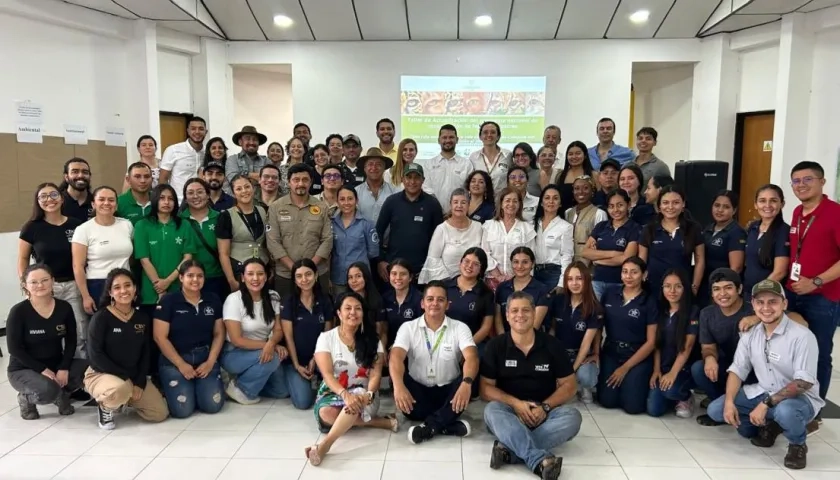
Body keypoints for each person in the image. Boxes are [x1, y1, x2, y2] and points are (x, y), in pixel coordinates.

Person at [705, 279, 822, 470]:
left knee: (786, 412)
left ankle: (797, 444)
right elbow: (737, 369)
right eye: (760, 302)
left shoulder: (802, 336)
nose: (766, 308)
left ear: (784, 304)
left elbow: (803, 383)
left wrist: (766, 404)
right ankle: (772, 423)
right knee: (716, 411)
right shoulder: (751, 334)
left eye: (773, 302)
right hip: (762, 391)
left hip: (799, 398)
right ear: (753, 305)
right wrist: (728, 402)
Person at [481, 291, 582, 480]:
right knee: (492, 411)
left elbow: (570, 385)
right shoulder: (495, 346)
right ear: (507, 316)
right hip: (509, 413)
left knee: (573, 417)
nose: (520, 315)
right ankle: (537, 458)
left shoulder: (552, 345)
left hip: (544, 411)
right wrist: (516, 404)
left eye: (526, 310)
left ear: (534, 313)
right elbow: (485, 388)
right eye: (515, 311)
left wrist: (545, 407)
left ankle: (509, 450)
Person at [306, 292, 398, 466]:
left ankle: (325, 445)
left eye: (358, 309)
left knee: (354, 401)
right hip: (334, 390)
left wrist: (369, 394)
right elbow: (326, 374)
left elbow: (375, 374)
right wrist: (344, 394)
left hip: (365, 394)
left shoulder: (373, 340)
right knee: (326, 413)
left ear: (363, 313)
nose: (353, 313)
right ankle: (378, 422)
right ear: (339, 313)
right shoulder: (326, 338)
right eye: (347, 308)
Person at [390, 281, 479, 444]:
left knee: (470, 377)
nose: (435, 303)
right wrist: (398, 386)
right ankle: (445, 424)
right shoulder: (408, 327)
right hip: (417, 395)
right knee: (396, 375)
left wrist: (466, 384)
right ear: (422, 303)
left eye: (440, 300)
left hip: (449, 395)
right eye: (430, 299)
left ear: (447, 305)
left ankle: (429, 428)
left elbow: (471, 356)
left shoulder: (460, 328)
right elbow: (396, 357)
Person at [786, 160, 840, 421]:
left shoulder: (834, 213)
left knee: (818, 353)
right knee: (793, 351)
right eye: (796, 181)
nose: (801, 185)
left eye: (808, 179)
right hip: (794, 293)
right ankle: (793, 402)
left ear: (822, 181)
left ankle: (815, 410)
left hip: (823, 296)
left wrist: (816, 281)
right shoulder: (797, 212)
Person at [85, 268, 169, 429]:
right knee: (120, 388)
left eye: (127, 285)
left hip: (131, 376)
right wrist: (127, 378)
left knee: (159, 413)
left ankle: (125, 398)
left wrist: (139, 381)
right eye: (117, 287)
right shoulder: (101, 317)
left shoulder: (142, 318)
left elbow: (145, 352)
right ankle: (106, 407)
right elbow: (95, 356)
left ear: (135, 288)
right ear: (110, 292)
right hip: (102, 373)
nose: (123, 291)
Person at [8, 264, 88, 420]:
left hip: (55, 364)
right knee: (47, 391)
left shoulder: (64, 307)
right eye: (34, 282)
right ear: (25, 285)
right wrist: (42, 369)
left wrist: (64, 367)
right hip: (24, 369)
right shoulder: (18, 312)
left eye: (45, 280)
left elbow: (71, 340)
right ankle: (26, 399)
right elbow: (14, 349)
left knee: (88, 369)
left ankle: (62, 393)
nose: (40, 285)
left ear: (53, 281)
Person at [18, 183, 86, 357]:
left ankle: (80, 376)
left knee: (78, 332)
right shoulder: (31, 227)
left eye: (54, 195)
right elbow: (23, 259)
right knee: (50, 334)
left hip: (74, 286)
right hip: (45, 287)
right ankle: (56, 374)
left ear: (62, 198)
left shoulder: (76, 225)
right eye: (43, 196)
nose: (49, 200)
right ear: (38, 201)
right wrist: (26, 287)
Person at [153, 260, 225, 418]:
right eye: (190, 276)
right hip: (175, 360)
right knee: (182, 411)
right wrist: (181, 365)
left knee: (212, 406)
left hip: (204, 358)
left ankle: (200, 386)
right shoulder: (169, 301)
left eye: (200, 276)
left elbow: (219, 333)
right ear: (181, 278)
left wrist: (210, 362)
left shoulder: (212, 299)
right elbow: (159, 337)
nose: (195, 280)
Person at [220, 259, 287, 405]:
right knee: (274, 358)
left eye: (260, 274)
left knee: (282, 391)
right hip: (234, 353)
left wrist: (272, 342)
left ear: (266, 276)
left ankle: (247, 380)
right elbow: (237, 339)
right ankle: (240, 388)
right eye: (250, 274)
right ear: (243, 277)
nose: (255, 278)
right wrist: (270, 346)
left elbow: (278, 329)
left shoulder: (273, 296)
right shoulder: (234, 299)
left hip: (261, 351)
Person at [597, 257, 658, 414]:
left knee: (633, 407)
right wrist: (596, 353)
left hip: (637, 355)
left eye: (634, 272)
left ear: (644, 275)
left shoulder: (649, 301)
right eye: (625, 272)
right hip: (611, 351)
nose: (628, 276)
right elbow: (598, 327)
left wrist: (625, 368)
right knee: (607, 401)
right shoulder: (610, 293)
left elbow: (651, 342)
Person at [267, 163, 333, 298]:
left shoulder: (322, 207)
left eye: (305, 180)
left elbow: (327, 239)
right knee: (285, 315)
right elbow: (272, 241)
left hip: (317, 273)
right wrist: (295, 269)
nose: (300, 184)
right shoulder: (275, 207)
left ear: (311, 182)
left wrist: (309, 268)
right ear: (289, 182)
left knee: (319, 314)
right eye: (296, 180)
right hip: (285, 274)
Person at [134, 184, 197, 318]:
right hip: (151, 292)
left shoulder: (184, 225)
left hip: (179, 288)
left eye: (171, 199)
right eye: (162, 198)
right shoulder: (142, 225)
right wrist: (159, 287)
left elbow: (188, 257)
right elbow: (144, 260)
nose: (166, 202)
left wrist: (167, 281)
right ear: (154, 200)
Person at [281, 259, 335, 409]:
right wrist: (297, 365)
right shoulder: (288, 301)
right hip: (296, 361)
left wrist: (316, 359)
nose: (304, 279)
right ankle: (299, 380)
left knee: (335, 391)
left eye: (308, 274)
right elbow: (288, 337)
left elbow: (328, 335)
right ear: (294, 279)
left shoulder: (325, 300)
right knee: (303, 403)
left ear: (316, 275)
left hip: (320, 357)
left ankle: (318, 379)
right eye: (299, 276)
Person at [71, 186, 134, 316]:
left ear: (116, 205)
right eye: (102, 199)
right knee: (100, 329)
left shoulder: (127, 225)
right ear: (93, 204)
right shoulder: (83, 230)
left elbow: (132, 257)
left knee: (125, 324)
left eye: (111, 200)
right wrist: (86, 296)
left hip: (124, 285)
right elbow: (78, 266)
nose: (106, 203)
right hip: (97, 285)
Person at [376, 164, 444, 281]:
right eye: (409, 177)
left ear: (423, 180)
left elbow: (439, 237)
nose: (412, 181)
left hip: (422, 269)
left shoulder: (432, 204)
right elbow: (378, 232)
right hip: (394, 268)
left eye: (417, 177)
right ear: (402, 179)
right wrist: (380, 260)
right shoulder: (391, 202)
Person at [647, 269, 699, 418]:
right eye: (667, 286)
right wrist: (657, 370)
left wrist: (673, 373)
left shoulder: (692, 312)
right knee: (654, 410)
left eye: (678, 286)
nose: (672, 291)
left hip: (682, 369)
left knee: (669, 390)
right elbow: (657, 344)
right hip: (663, 366)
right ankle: (671, 396)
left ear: (685, 288)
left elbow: (687, 347)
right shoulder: (660, 310)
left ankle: (685, 397)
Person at [550, 262, 602, 403]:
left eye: (579, 278)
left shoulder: (594, 307)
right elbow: (552, 331)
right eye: (570, 279)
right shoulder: (559, 301)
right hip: (561, 352)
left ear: (587, 280)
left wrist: (571, 372)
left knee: (586, 376)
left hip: (582, 354)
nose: (574, 283)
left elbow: (586, 345)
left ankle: (584, 387)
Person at [639, 185, 705, 295]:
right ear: (659, 206)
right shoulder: (649, 229)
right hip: (653, 288)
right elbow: (641, 261)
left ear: (683, 204)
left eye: (676, 202)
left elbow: (700, 260)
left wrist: (695, 286)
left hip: (682, 289)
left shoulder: (694, 228)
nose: (670, 207)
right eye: (665, 202)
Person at [584, 189, 641, 301]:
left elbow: (627, 258)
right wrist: (614, 253)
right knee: (597, 316)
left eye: (620, 205)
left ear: (628, 204)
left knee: (616, 316)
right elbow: (585, 252)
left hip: (620, 282)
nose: (615, 210)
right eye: (611, 206)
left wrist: (597, 259)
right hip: (597, 281)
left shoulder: (634, 228)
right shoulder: (601, 226)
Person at [217, 174, 270, 293]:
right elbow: (223, 253)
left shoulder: (263, 210)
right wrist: (231, 280)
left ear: (253, 188)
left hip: (262, 268)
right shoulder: (226, 216)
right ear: (233, 193)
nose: (244, 191)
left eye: (247, 187)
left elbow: (268, 242)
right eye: (239, 189)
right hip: (239, 270)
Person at [419, 188, 484, 283]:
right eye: (455, 202)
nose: (459, 206)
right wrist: (452, 283)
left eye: (463, 202)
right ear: (450, 205)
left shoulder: (478, 227)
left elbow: (483, 255)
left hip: (473, 281)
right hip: (447, 283)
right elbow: (433, 260)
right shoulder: (441, 229)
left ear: (469, 205)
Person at [482, 187, 537, 289]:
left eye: (515, 201)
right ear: (501, 204)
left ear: (519, 204)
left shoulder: (527, 228)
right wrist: (498, 275)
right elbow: (485, 253)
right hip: (492, 279)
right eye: (507, 200)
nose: (511, 204)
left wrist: (514, 276)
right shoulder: (489, 226)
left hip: (519, 280)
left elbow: (530, 256)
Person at [699, 190, 747, 307]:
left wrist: (722, 291)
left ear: (734, 210)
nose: (720, 210)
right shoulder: (708, 229)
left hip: (722, 290)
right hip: (706, 286)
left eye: (726, 207)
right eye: (717, 205)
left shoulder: (736, 232)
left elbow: (736, 267)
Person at [181, 178, 227, 300]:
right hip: (189, 279)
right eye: (190, 193)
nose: (195, 196)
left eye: (200, 192)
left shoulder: (220, 218)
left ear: (208, 195)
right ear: (185, 198)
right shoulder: (178, 220)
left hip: (217, 278)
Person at [330, 185, 380, 296]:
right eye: (342, 199)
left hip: (360, 279)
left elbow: (373, 253)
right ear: (337, 201)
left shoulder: (366, 223)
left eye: (350, 199)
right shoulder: (331, 223)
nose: (346, 203)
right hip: (338, 278)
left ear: (356, 200)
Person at [743, 184, 790, 302]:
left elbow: (780, 272)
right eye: (762, 201)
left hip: (767, 297)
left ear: (782, 204)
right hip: (747, 293)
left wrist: (759, 293)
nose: (767, 205)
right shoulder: (753, 227)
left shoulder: (784, 231)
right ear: (755, 204)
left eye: (773, 201)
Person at [445, 249, 495, 353]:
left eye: (475, 264)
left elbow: (486, 327)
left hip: (474, 343)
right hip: (444, 342)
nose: (469, 266)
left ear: (481, 269)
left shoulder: (486, 293)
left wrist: (467, 346)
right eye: (466, 261)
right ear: (460, 262)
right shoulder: (445, 287)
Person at [419, 124, 474, 214]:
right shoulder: (428, 164)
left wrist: (453, 211)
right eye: (444, 137)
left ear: (457, 140)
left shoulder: (466, 164)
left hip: (459, 214)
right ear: (439, 140)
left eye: (451, 137)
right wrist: (437, 209)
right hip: (433, 212)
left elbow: (469, 191)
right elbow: (426, 189)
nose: (448, 140)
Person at [495, 247, 552, 333]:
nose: (520, 266)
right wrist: (503, 341)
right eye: (516, 262)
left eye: (525, 262)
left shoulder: (542, 289)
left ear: (532, 264)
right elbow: (498, 320)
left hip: (531, 340)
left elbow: (535, 325)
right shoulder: (502, 288)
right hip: (505, 341)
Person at [160, 116, 206, 203]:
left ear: (206, 132)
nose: (197, 132)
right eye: (193, 129)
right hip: (178, 201)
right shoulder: (173, 150)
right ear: (188, 131)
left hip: (201, 202)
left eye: (201, 129)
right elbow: (163, 178)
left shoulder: (208, 152)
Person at [564, 175, 608, 265]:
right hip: (568, 264)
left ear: (592, 191)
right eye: (577, 188)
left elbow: (602, 243)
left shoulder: (599, 213)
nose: (581, 192)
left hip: (589, 265)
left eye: (585, 188)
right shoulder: (568, 213)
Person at [347, 262, 389, 352]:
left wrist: (379, 349)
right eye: (350, 277)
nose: (354, 280)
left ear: (365, 277)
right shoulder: (343, 301)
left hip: (372, 345)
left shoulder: (377, 300)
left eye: (358, 276)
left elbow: (381, 329)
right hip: (349, 345)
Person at [383, 260, 424, 351]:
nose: (398, 277)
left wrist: (399, 346)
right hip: (389, 348)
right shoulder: (385, 298)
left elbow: (421, 330)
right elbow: (382, 328)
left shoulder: (420, 299)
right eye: (394, 274)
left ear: (410, 277)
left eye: (403, 274)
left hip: (414, 348)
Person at [468, 121, 511, 194]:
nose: (489, 135)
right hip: (481, 201)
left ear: (498, 136)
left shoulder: (508, 155)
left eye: (493, 132)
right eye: (485, 132)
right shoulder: (473, 157)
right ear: (480, 136)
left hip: (502, 202)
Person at [356, 147, 398, 223]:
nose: (374, 168)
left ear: (384, 168)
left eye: (378, 164)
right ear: (364, 168)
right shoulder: (356, 192)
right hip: (362, 235)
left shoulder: (395, 192)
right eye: (370, 164)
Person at [554, 141, 598, 211]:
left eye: (578, 153)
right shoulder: (560, 175)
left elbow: (598, 198)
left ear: (585, 155)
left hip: (588, 215)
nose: (574, 157)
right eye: (570, 154)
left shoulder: (594, 175)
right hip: (563, 215)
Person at [225, 125, 269, 191]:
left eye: (255, 139)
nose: (251, 142)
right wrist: (259, 178)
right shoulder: (232, 160)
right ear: (240, 142)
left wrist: (243, 174)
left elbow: (269, 180)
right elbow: (234, 180)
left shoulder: (266, 161)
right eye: (247, 139)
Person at [59, 157, 93, 222]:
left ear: (90, 177)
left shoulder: (97, 202)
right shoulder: (57, 202)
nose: (80, 175)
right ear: (66, 177)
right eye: (75, 172)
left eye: (85, 172)